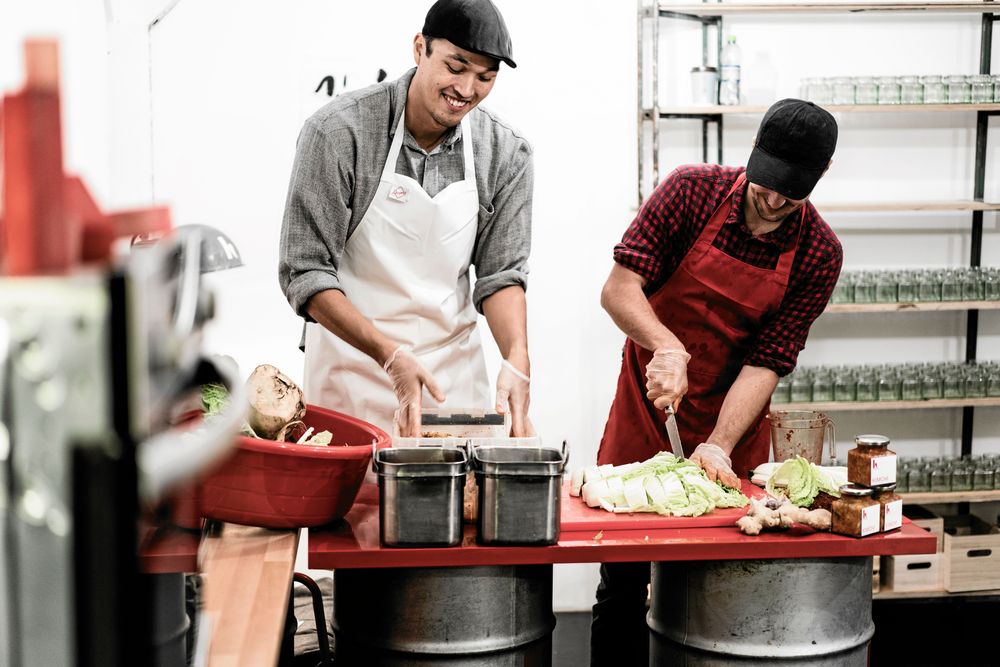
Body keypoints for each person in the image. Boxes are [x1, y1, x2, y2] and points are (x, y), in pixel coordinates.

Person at [590, 99, 842, 665]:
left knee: (719, 586)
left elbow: (769, 360)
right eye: (766, 183)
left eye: (792, 192)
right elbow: (619, 289)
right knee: (623, 582)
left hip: (733, 421)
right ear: (752, 151)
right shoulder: (690, 192)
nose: (773, 202)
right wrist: (667, 347)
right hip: (651, 403)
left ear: (821, 175)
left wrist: (720, 445)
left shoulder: (819, 253)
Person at [279, 0, 534, 438]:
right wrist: (389, 355)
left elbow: (501, 275)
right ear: (420, 49)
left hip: (450, 385)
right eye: (456, 66)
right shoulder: (339, 133)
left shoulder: (506, 152)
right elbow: (305, 271)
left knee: (458, 483)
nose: (466, 89)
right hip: (351, 375)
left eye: (485, 77)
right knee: (357, 485)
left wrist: (517, 358)